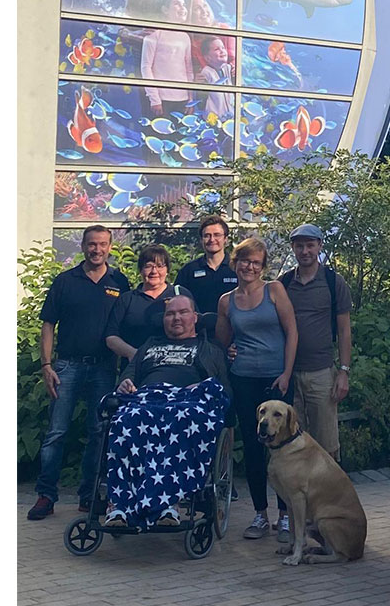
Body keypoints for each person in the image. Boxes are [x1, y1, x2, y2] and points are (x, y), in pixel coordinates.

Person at [29, 225, 131, 521]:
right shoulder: (65, 281)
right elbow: (48, 324)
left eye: (102, 244)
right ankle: (46, 495)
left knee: (99, 433)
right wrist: (46, 365)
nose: (96, 249)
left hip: (103, 368)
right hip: (67, 366)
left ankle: (89, 496)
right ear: (83, 247)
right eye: (91, 244)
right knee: (56, 433)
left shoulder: (119, 282)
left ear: (110, 247)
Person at [105, 294, 234, 527]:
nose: (176, 318)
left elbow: (223, 389)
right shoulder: (149, 346)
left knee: (182, 419)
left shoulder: (209, 348)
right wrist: (125, 383)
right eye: (170, 314)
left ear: (195, 317)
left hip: (185, 402)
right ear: (163, 320)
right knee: (125, 420)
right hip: (146, 401)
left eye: (183, 312)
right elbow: (128, 375)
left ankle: (168, 503)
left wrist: (203, 388)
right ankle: (119, 506)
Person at [216, 238, 299, 541]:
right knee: (253, 448)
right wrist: (231, 351)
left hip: (275, 379)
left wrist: (287, 372)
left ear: (263, 267)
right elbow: (222, 342)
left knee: (282, 447)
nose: (249, 267)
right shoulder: (226, 300)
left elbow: (292, 333)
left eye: (256, 262)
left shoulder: (275, 290)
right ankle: (260, 515)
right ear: (235, 263)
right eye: (245, 261)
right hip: (244, 378)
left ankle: (286, 516)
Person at [281, 223, 353, 463]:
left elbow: (344, 329)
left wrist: (343, 372)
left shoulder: (333, 282)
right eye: (299, 246)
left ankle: (330, 497)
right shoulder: (283, 283)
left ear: (319, 246)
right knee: (291, 442)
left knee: (326, 443)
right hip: (289, 373)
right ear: (293, 248)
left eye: (310, 245)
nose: (305, 251)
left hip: (321, 372)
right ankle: (298, 498)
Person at [105, 245, 194, 370]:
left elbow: (195, 329)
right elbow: (111, 336)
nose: (154, 271)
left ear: (167, 269)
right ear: (140, 270)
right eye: (148, 266)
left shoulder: (180, 294)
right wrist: (133, 354)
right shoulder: (127, 299)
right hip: (135, 369)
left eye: (160, 266)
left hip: (175, 367)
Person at [141, 0, 193, 117]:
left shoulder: (185, 37)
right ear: (165, 9)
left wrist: (191, 98)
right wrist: (154, 99)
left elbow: (188, 70)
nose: (182, 8)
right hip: (161, 100)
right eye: (177, 4)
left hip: (183, 100)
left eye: (183, 5)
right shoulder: (154, 33)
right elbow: (146, 67)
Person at [175, 215, 239, 316]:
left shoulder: (238, 268)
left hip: (232, 328)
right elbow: (178, 302)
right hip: (198, 329)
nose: (212, 239)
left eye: (217, 235)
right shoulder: (189, 270)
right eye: (207, 235)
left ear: (226, 239)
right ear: (201, 240)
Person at [193, 35, 234, 120]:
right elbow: (201, 101)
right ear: (208, 58)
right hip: (214, 121)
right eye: (217, 49)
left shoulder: (229, 69)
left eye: (223, 48)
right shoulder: (206, 73)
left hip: (230, 118)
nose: (222, 51)